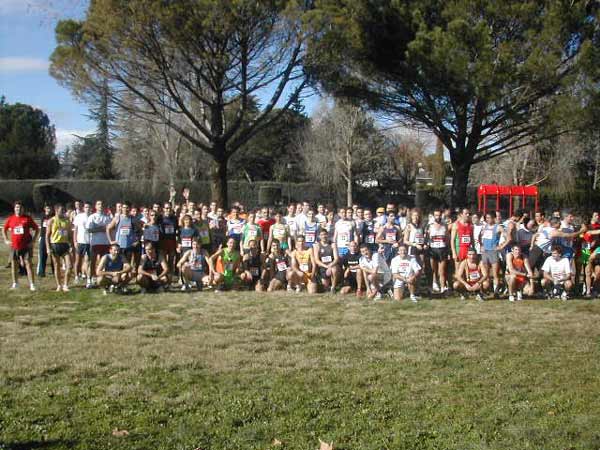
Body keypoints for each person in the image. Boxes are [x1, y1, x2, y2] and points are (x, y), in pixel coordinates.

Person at [3, 201, 39, 291]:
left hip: (26, 246)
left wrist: (33, 241)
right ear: (14, 209)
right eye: (16, 207)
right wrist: (6, 239)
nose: (18, 209)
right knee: (14, 265)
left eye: (19, 207)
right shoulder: (11, 219)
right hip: (14, 246)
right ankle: (15, 283)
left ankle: (32, 284)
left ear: (23, 209)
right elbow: (4, 229)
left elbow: (37, 229)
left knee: (28, 264)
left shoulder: (27, 218)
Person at [107, 201, 141, 274]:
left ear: (130, 209)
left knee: (127, 266)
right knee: (118, 264)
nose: (125, 209)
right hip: (119, 246)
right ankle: (116, 277)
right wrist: (110, 241)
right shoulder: (117, 218)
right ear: (122, 208)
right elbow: (108, 229)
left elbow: (140, 231)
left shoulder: (133, 219)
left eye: (127, 208)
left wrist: (137, 240)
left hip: (128, 246)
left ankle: (124, 278)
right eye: (124, 207)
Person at [46, 203, 73, 292]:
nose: (63, 212)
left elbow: (70, 234)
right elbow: (47, 236)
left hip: (65, 245)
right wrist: (48, 248)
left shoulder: (67, 221)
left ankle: (65, 285)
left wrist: (71, 245)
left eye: (64, 210)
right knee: (57, 266)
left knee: (69, 266)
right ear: (56, 210)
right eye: (61, 210)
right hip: (55, 245)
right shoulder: (51, 221)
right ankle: (59, 285)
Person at [86, 200, 112, 288]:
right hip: (95, 243)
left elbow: (110, 229)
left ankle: (103, 280)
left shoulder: (107, 217)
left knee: (104, 263)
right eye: (98, 204)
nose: (100, 206)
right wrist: (101, 229)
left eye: (102, 204)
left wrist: (105, 229)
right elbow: (89, 229)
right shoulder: (92, 217)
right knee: (92, 262)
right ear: (95, 206)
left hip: (105, 243)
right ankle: (89, 279)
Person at [478, 213, 503, 295]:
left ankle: (496, 292)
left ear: (493, 218)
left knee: (495, 274)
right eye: (486, 218)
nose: (487, 219)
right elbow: (479, 236)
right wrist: (481, 245)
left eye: (489, 218)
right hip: (485, 252)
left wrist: (501, 246)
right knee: (486, 273)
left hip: (493, 251)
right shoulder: (484, 227)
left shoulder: (498, 227)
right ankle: (486, 290)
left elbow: (508, 237)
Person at [426, 209, 449, 293]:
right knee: (433, 269)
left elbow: (447, 238)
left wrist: (447, 249)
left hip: (442, 249)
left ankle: (443, 288)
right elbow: (426, 238)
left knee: (441, 271)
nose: (437, 217)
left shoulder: (444, 225)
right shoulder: (430, 225)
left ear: (441, 215)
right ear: (433, 216)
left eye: (439, 215)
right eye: (436, 215)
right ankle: (434, 283)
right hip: (433, 249)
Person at [313, 229, 340, 293]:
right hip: (323, 266)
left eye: (325, 234)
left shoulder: (333, 244)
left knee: (334, 269)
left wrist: (330, 266)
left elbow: (336, 259)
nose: (324, 236)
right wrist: (326, 266)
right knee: (325, 286)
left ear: (327, 235)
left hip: (332, 265)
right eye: (322, 235)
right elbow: (316, 260)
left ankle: (333, 287)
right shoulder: (317, 245)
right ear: (319, 236)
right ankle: (328, 285)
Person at [72, 201, 91, 284]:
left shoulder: (92, 217)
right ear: (83, 208)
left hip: (89, 242)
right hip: (80, 241)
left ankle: (88, 278)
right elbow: (75, 230)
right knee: (78, 260)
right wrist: (75, 241)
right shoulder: (79, 216)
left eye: (89, 207)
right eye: (86, 207)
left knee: (87, 260)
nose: (88, 209)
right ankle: (76, 276)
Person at [159, 202, 179, 276]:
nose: (168, 210)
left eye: (170, 208)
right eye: (167, 208)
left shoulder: (174, 218)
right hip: (163, 241)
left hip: (172, 241)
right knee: (163, 259)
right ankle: (164, 275)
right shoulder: (160, 218)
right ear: (163, 209)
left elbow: (177, 229)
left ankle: (170, 275)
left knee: (171, 259)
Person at [37, 204, 53, 278]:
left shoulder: (53, 216)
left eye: (50, 208)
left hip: (52, 237)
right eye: (47, 208)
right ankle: (41, 272)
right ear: (44, 209)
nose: (48, 210)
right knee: (42, 255)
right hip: (43, 237)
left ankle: (54, 270)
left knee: (53, 255)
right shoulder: (42, 215)